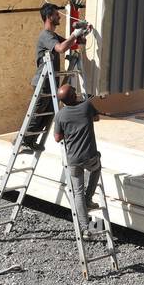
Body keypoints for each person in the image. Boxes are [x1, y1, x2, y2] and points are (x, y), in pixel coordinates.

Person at [22, 2, 86, 152]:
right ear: (49, 17)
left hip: (50, 82)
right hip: (42, 82)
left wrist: (81, 35)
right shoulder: (46, 35)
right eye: (57, 14)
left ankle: (31, 141)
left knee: (48, 114)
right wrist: (74, 35)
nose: (59, 17)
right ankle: (24, 140)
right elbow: (61, 48)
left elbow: (73, 44)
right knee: (37, 115)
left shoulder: (54, 35)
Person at [53, 83, 105, 235]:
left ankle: (84, 228)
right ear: (74, 96)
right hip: (90, 156)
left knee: (77, 192)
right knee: (97, 168)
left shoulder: (60, 115)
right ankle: (89, 198)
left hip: (74, 160)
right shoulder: (87, 106)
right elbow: (97, 118)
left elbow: (57, 138)